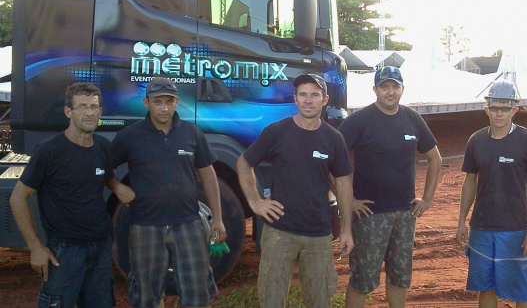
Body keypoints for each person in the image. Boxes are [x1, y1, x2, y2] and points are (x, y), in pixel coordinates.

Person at [9, 82, 135, 308]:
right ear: (68, 111)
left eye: (94, 107)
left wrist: (116, 186)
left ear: (100, 112)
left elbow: (102, 174)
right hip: (65, 250)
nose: (89, 112)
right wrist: (36, 247)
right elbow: (18, 197)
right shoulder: (49, 151)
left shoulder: (103, 147)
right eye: (82, 107)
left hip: (101, 245)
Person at [236, 73, 354, 308]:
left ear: (325, 99)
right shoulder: (276, 132)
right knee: (272, 300)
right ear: (295, 99)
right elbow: (244, 163)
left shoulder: (333, 139)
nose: (308, 100)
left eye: (314, 95)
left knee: (320, 301)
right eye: (303, 95)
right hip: (280, 233)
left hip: (319, 234)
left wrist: (348, 229)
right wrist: (255, 202)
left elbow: (342, 182)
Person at [109, 77, 226, 308]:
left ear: (176, 102)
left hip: (189, 223)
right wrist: (116, 186)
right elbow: (101, 166)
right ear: (146, 102)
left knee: (197, 293)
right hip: (145, 225)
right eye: (157, 102)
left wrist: (218, 219)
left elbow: (209, 175)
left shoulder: (192, 133)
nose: (164, 108)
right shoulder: (130, 136)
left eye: (169, 102)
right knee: (147, 296)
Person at [338, 66, 442, 308]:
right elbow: (332, 161)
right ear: (375, 89)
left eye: (395, 86)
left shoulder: (412, 119)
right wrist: (348, 201)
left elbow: (435, 158)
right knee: (362, 279)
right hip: (370, 216)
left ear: (402, 89)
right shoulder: (359, 121)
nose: (390, 91)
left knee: (400, 276)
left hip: (405, 215)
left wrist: (427, 199)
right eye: (385, 86)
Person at [455, 80, 527, 308]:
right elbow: (469, 182)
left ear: (514, 110)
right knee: (485, 288)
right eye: (495, 107)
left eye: (505, 108)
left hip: (515, 229)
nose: (499, 113)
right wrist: (461, 222)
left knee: (521, 292)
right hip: (482, 228)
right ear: (486, 108)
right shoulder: (476, 140)